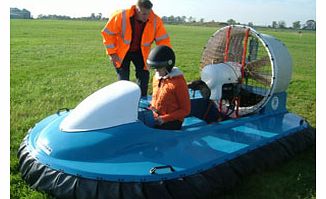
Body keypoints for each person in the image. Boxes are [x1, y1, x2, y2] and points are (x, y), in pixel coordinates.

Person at [101, 0, 171, 97]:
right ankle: (123, 101)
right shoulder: (120, 16)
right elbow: (107, 33)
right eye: (143, 14)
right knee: (123, 81)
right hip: (122, 53)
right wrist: (112, 53)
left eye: (148, 13)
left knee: (144, 77)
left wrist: (165, 58)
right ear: (137, 10)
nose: (146, 17)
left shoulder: (155, 20)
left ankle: (142, 101)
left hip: (141, 53)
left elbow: (163, 41)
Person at [146, 45, 191, 130]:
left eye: (159, 68)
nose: (156, 71)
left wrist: (164, 119)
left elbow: (185, 110)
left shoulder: (178, 83)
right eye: (155, 68)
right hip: (157, 117)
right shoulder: (156, 78)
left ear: (168, 66)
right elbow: (155, 97)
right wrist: (151, 108)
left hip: (172, 121)